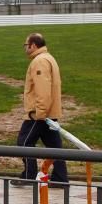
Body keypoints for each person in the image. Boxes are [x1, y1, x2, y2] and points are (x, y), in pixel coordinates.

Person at [15, 32, 68, 186]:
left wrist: (40, 113)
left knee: (24, 142)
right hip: (49, 113)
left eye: (26, 45)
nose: (25, 48)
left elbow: (42, 89)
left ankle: (29, 176)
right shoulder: (48, 58)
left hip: (39, 114)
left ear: (33, 45)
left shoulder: (40, 61)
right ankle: (60, 178)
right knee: (55, 147)